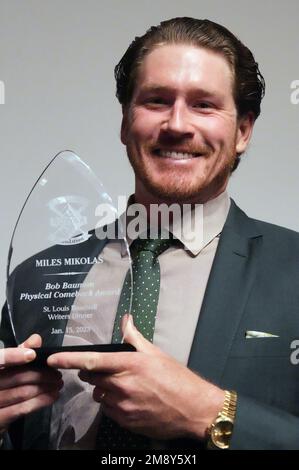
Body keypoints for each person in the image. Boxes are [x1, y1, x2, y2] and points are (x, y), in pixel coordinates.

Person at [1, 17, 299, 450]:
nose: (177, 124)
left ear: (242, 132)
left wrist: (210, 411)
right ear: (125, 123)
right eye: (157, 101)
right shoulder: (38, 277)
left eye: (203, 105)